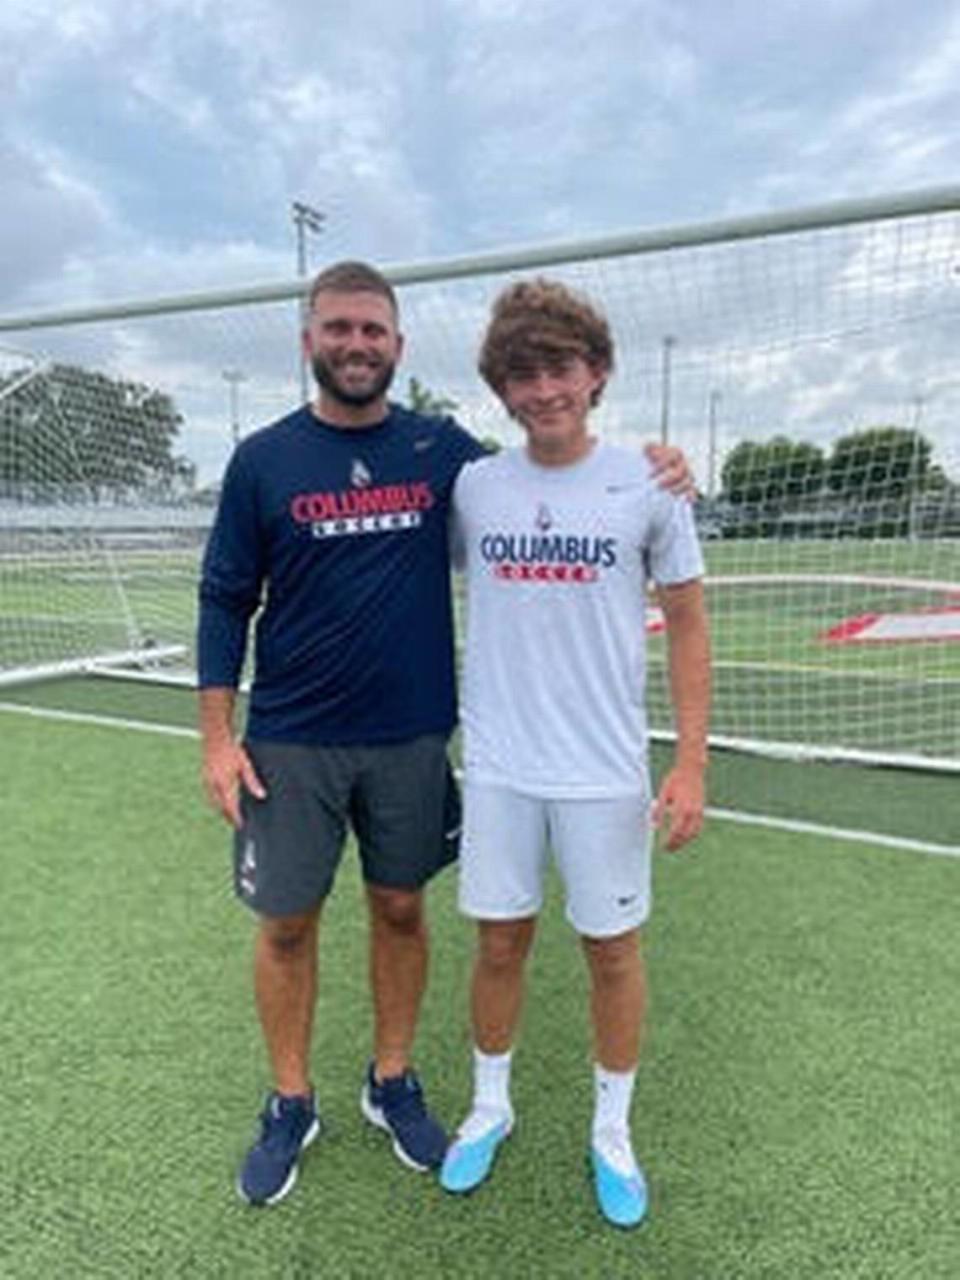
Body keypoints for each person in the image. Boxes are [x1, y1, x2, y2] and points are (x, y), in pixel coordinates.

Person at [197, 261, 693, 1209]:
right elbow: (224, 597)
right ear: (310, 341)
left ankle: (392, 1083)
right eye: (337, 329)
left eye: (372, 331)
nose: (355, 345)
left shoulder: (443, 457)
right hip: (291, 739)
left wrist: (661, 463)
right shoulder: (263, 460)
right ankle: (290, 1100)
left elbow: (562, 460)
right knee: (287, 924)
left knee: (401, 911)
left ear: (397, 347)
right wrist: (218, 736)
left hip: (414, 739)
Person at [440, 279, 710, 1230]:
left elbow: (685, 625)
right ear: (502, 389)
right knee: (499, 941)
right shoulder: (473, 485)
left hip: (605, 771)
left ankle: (612, 1131)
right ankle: (489, 1105)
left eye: (559, 368)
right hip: (503, 766)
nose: (543, 389)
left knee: (612, 951)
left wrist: (691, 763)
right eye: (522, 374)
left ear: (596, 372)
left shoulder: (650, 481)